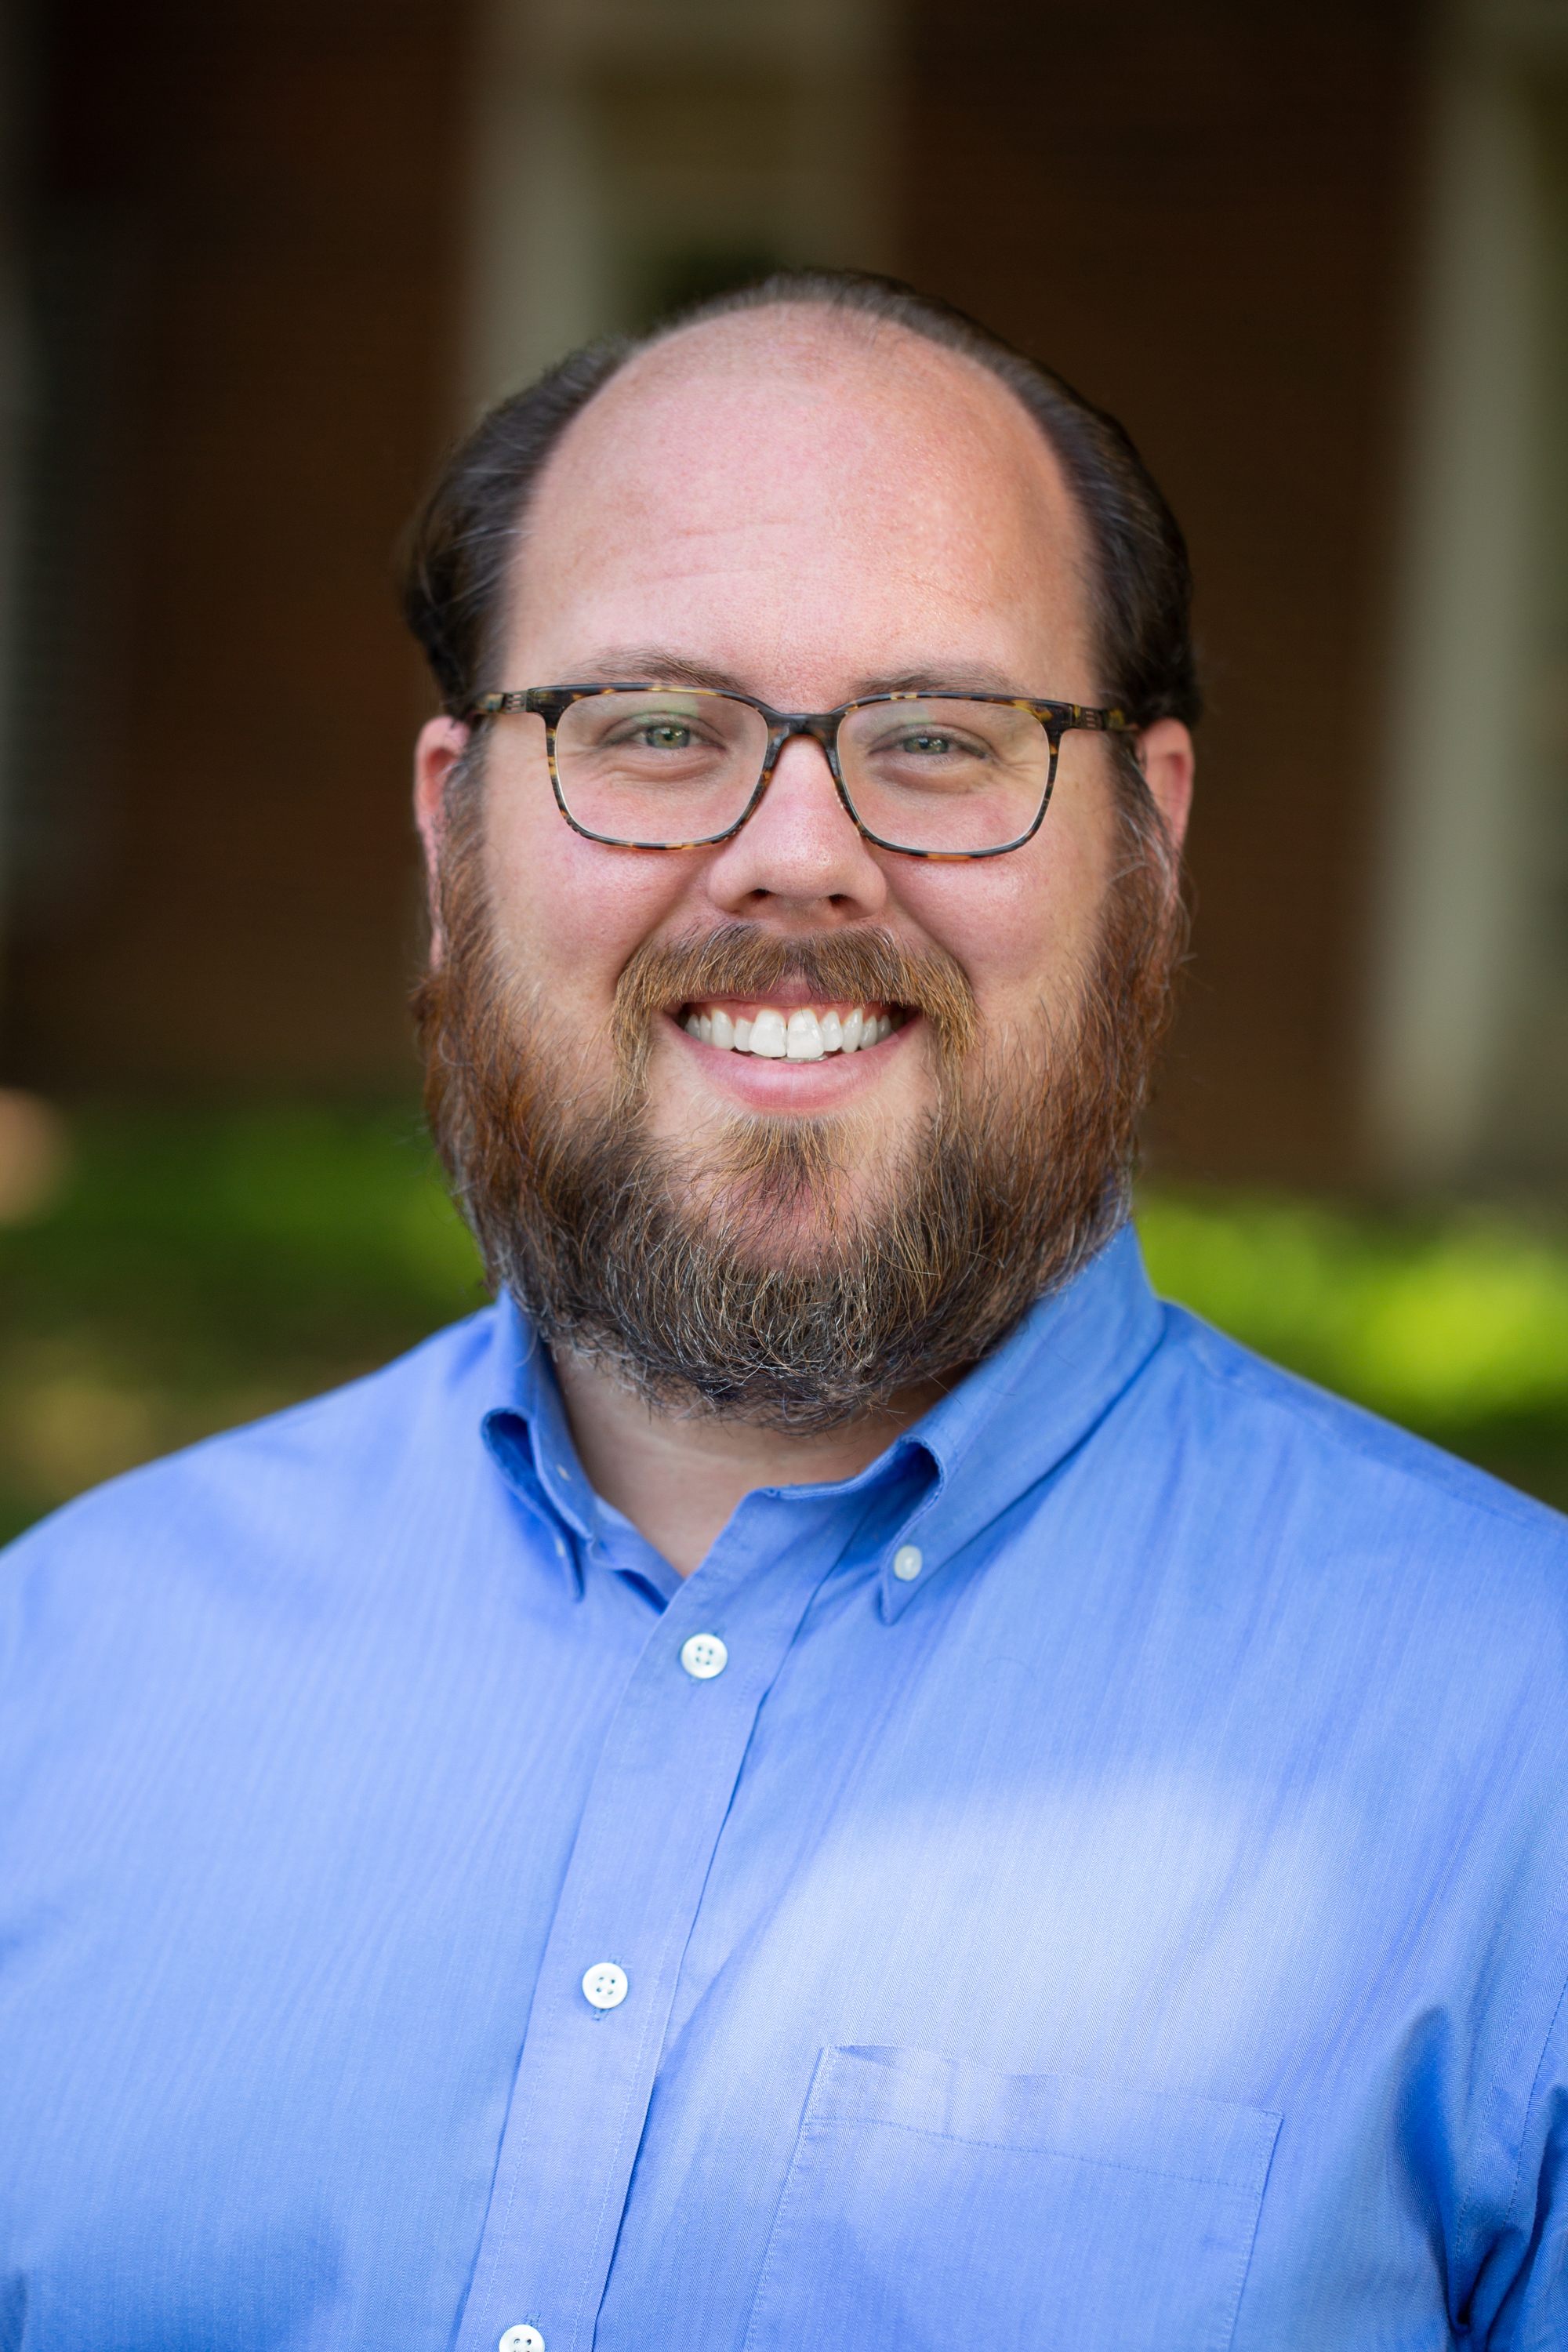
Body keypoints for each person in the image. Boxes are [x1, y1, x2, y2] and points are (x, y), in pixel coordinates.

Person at [2, 270, 1565, 2352]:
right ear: (450, 825)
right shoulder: (63, 1681)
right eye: (653, 730)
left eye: (939, 739)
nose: (798, 857)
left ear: (1149, 837)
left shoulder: (1518, 1764)